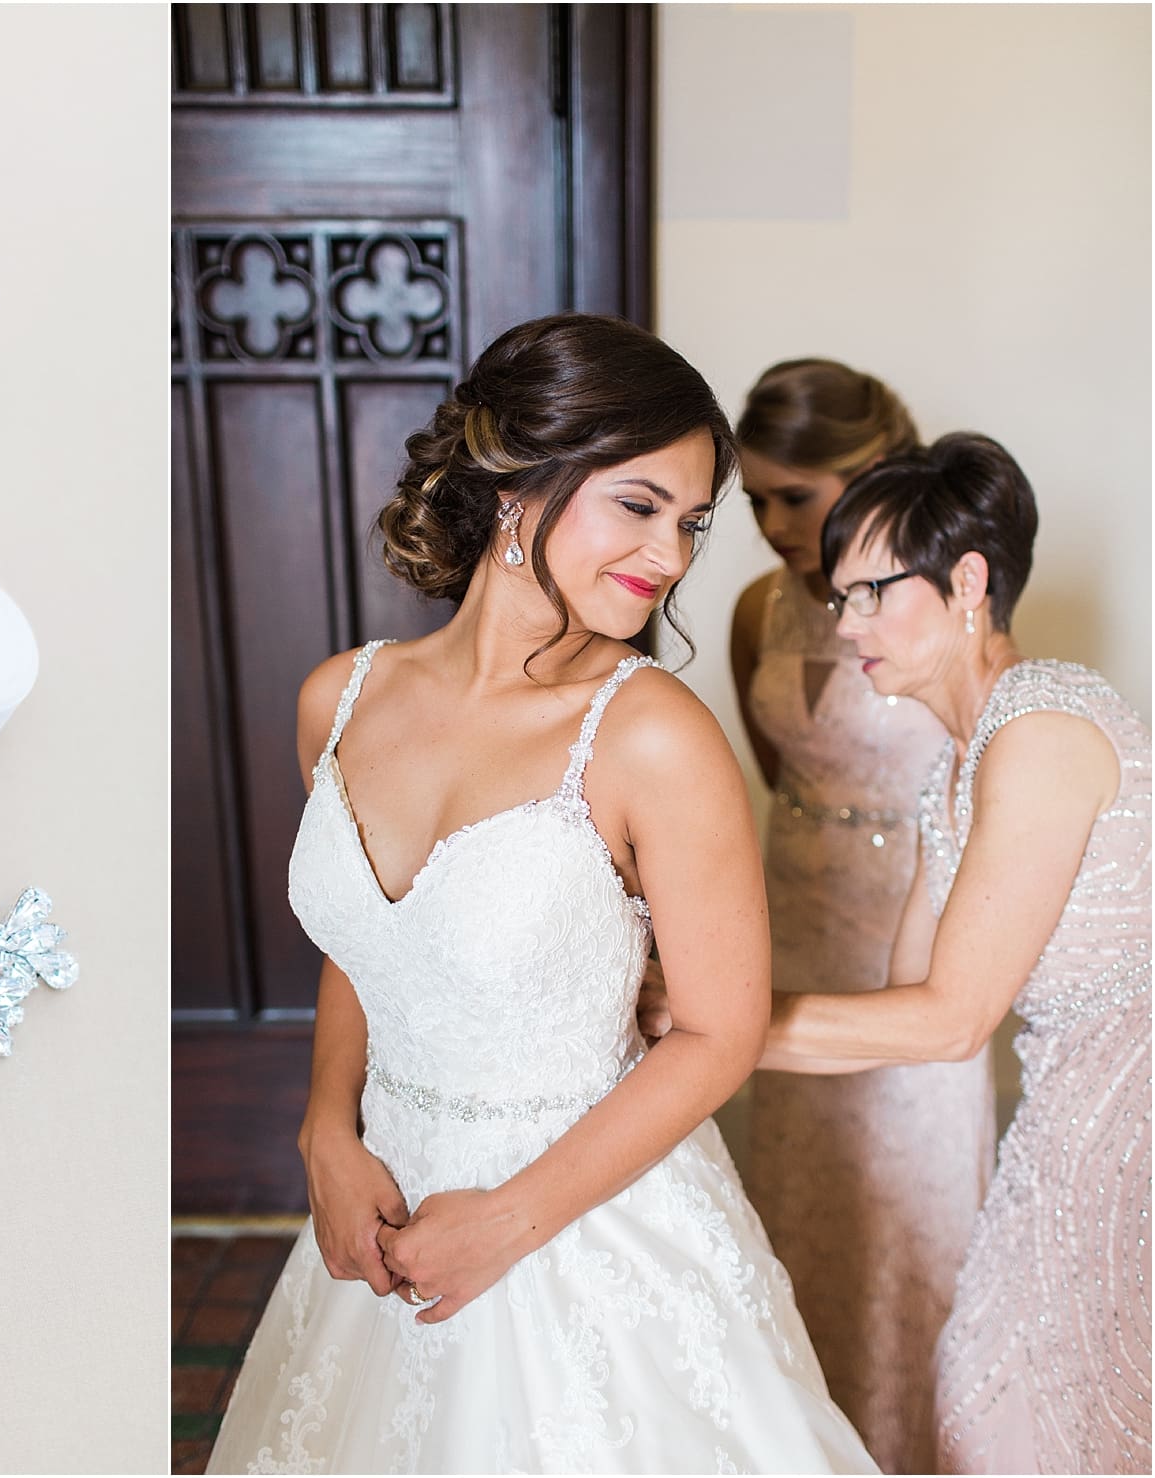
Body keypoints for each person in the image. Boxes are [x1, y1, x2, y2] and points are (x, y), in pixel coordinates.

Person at [206, 314, 876, 1474]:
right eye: (640, 505)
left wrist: (509, 1218)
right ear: (518, 478)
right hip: (383, 1211)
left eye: (692, 522)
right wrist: (326, 1128)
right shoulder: (341, 698)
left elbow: (721, 1031)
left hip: (586, 1228)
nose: (670, 557)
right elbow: (373, 945)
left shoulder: (653, 734)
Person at [646, 433, 1150, 1474]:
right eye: (840, 598)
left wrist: (702, 1019)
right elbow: (903, 1004)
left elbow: (951, 1019)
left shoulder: (1045, 728)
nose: (847, 625)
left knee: (1008, 1414)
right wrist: (692, 1021)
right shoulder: (957, 768)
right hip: (1063, 1137)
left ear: (968, 580)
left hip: (1126, 1145)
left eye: (873, 593)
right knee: (988, 1405)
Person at [730, 361, 995, 1473]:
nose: (772, 525)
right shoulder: (756, 609)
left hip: (917, 939)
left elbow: (989, 768)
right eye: (753, 500)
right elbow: (777, 771)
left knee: (908, 1217)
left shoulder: (944, 606)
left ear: (872, 471)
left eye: (798, 495)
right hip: (790, 918)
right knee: (789, 1205)